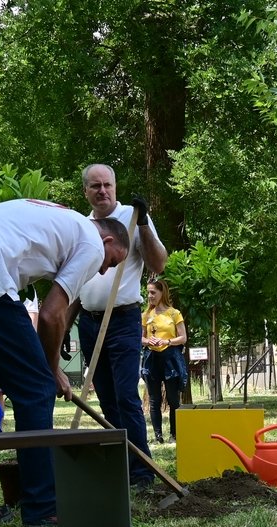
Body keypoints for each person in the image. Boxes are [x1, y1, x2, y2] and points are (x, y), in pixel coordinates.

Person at [0, 198, 128, 527]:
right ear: (108, 242)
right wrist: (53, 367)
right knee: (36, 388)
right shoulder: (90, 239)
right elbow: (52, 313)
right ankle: (42, 507)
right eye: (111, 262)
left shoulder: (44, 213)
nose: (103, 270)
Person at [76, 164, 167, 488]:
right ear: (85, 190)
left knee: (126, 394)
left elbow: (158, 263)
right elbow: (74, 281)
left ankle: (142, 471)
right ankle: (123, 465)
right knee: (107, 398)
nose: (102, 191)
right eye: (95, 186)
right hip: (88, 322)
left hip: (124, 319)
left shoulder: (132, 216)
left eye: (108, 185)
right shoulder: (81, 226)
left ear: (115, 186)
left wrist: (143, 224)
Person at [139, 279, 187, 443]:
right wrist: (147, 341)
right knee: (154, 399)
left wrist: (167, 341)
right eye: (148, 293)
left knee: (173, 399)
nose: (150, 296)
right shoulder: (145, 315)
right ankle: (158, 436)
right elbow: (140, 337)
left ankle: (175, 435)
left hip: (170, 358)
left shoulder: (174, 313)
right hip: (152, 359)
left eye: (153, 292)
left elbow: (183, 338)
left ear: (162, 293)